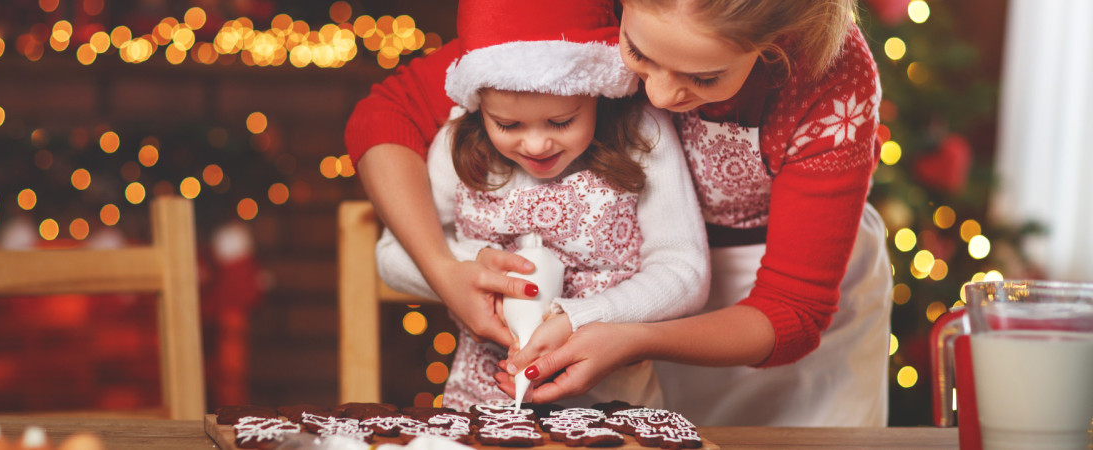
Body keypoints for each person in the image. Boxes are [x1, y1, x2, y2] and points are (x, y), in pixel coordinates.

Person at [345, 0, 893, 427]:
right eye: (638, 53)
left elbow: (790, 312)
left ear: (773, 46)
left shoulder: (832, 80)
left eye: (704, 78)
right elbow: (386, 114)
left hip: (760, 331)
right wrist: (444, 269)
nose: (655, 93)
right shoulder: (579, 16)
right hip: (619, 320)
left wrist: (629, 333)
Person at [373, 0, 709, 411]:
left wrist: (582, 316)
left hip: (616, 405)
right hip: (482, 407)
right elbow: (391, 255)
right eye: (508, 125)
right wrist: (463, 270)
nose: (535, 145)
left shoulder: (642, 134)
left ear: (598, 93)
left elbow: (685, 271)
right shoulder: (458, 142)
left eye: (562, 121)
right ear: (479, 106)